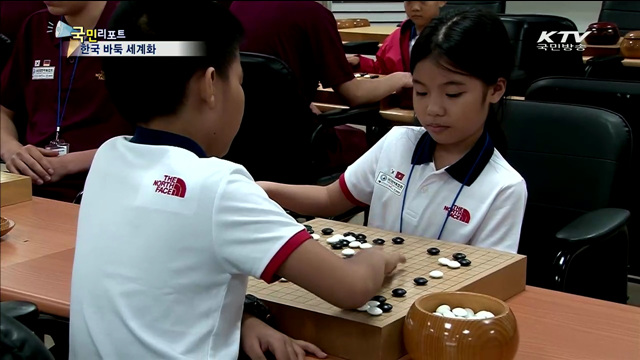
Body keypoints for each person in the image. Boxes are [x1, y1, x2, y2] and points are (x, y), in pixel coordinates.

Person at [68, 2, 406, 360]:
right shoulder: (219, 185)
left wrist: (243, 319)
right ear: (210, 85)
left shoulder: (108, 156)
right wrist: (378, 257)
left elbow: (156, 288)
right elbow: (350, 288)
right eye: (240, 81)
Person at [259, 9, 528, 254]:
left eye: (452, 93)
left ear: (495, 90)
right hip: (369, 293)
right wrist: (262, 189)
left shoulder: (504, 188)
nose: (433, 108)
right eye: (421, 92)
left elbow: (491, 279)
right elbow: (330, 198)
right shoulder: (398, 142)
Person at [0, 1, 132, 202]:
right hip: (31, 186)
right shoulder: (37, 26)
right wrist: (12, 150)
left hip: (107, 190)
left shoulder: (136, 27)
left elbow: (161, 136)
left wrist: (69, 164)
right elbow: (4, 110)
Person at [229, 1, 413, 108]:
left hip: (240, 139)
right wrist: (399, 79)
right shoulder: (313, 14)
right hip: (296, 145)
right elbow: (354, 95)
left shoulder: (237, 6)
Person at [348, 1, 446, 75]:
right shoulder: (397, 37)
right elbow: (383, 69)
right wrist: (359, 64)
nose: (415, 8)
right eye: (409, 1)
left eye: (423, 1)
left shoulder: (451, 37)